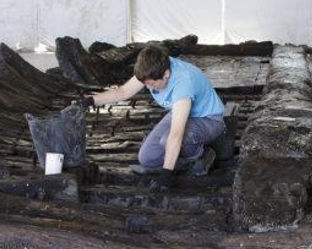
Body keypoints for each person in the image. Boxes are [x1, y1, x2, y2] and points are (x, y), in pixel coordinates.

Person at [82, 45, 224, 189]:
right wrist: (90, 101)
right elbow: (123, 92)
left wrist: (166, 173)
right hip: (180, 112)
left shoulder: (183, 82)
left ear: (166, 74)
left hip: (208, 119)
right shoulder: (150, 68)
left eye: (152, 84)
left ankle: (201, 155)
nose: (149, 88)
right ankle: (180, 162)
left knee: (166, 141)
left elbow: (176, 134)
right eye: (146, 85)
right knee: (147, 158)